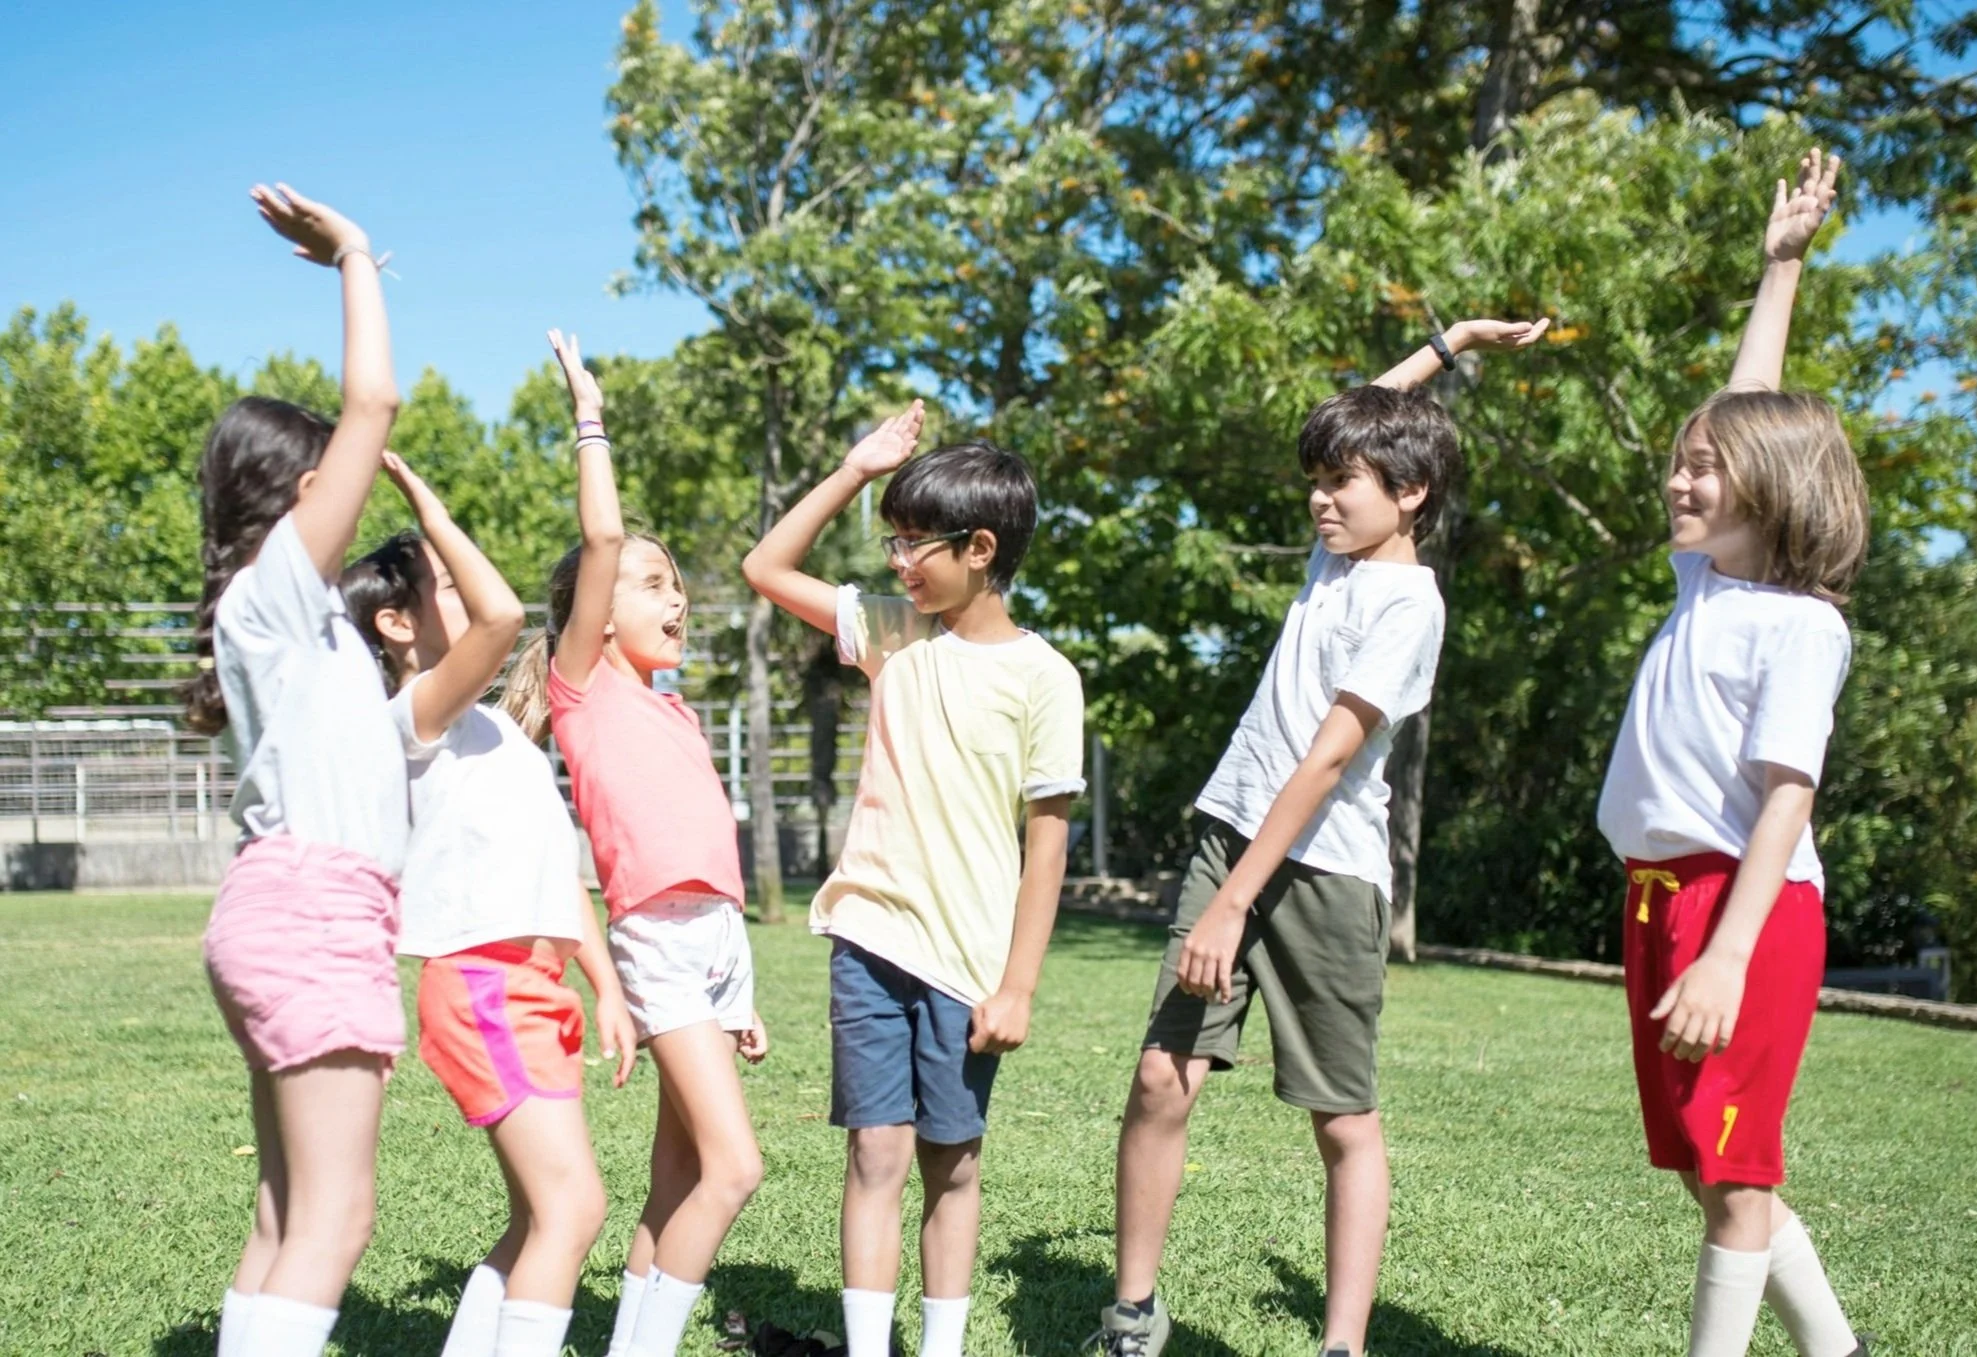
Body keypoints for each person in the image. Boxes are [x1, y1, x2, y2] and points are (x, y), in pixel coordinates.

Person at [1094, 318, 1550, 1357]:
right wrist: (1451, 343)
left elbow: (1324, 762)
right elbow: (1365, 415)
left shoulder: (1406, 601)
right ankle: (1130, 1313)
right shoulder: (1333, 557)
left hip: (1322, 874)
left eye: (1340, 482)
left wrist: (1228, 903)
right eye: (1314, 479)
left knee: (1339, 1116)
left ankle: (1339, 1345)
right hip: (1233, 836)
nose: (1318, 497)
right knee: (1163, 1075)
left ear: (1409, 493)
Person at [1597, 150, 1869, 1357]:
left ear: (1768, 486)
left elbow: (1783, 801)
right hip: (1657, 897)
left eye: (1701, 466)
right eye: (1681, 458)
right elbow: (1744, 401)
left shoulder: (1798, 625)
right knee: (1709, 1168)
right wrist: (1778, 269)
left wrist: (1723, 956)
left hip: (1739, 909)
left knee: (1736, 1167)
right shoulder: (1708, 582)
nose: (1677, 475)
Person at [742, 402, 1086, 1357]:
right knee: (874, 1152)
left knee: (953, 1162)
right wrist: (855, 468)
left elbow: (1046, 844)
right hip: (870, 939)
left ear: (979, 547)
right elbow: (765, 568)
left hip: (968, 966)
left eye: (911, 544)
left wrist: (1017, 983)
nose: (896, 562)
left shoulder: (1044, 677)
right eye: (887, 541)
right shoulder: (890, 633)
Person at [498, 332, 766, 1357]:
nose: (677, 596)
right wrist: (589, 416)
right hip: (653, 937)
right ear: (595, 615)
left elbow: (705, 863)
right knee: (734, 1169)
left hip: (710, 941)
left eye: (675, 583)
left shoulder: (672, 710)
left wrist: (737, 991)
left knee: (678, 1175)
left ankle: (628, 1339)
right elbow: (599, 539)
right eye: (653, 583)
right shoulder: (586, 690)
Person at [342, 449, 638, 1357]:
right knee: (573, 1207)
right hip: (481, 985)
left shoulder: (494, 736)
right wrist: (422, 502)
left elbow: (553, 871)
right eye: (441, 579)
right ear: (396, 623)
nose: (466, 585)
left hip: (530, 980)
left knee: (534, 1219)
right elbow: (505, 614)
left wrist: (606, 985)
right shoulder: (411, 718)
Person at [184, 184, 406, 1357]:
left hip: (282, 904)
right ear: (294, 490)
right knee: (336, 1214)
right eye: (334, 474)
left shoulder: (286, 616)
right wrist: (354, 255)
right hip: (315, 908)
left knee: (283, 1213)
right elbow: (373, 395)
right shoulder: (277, 586)